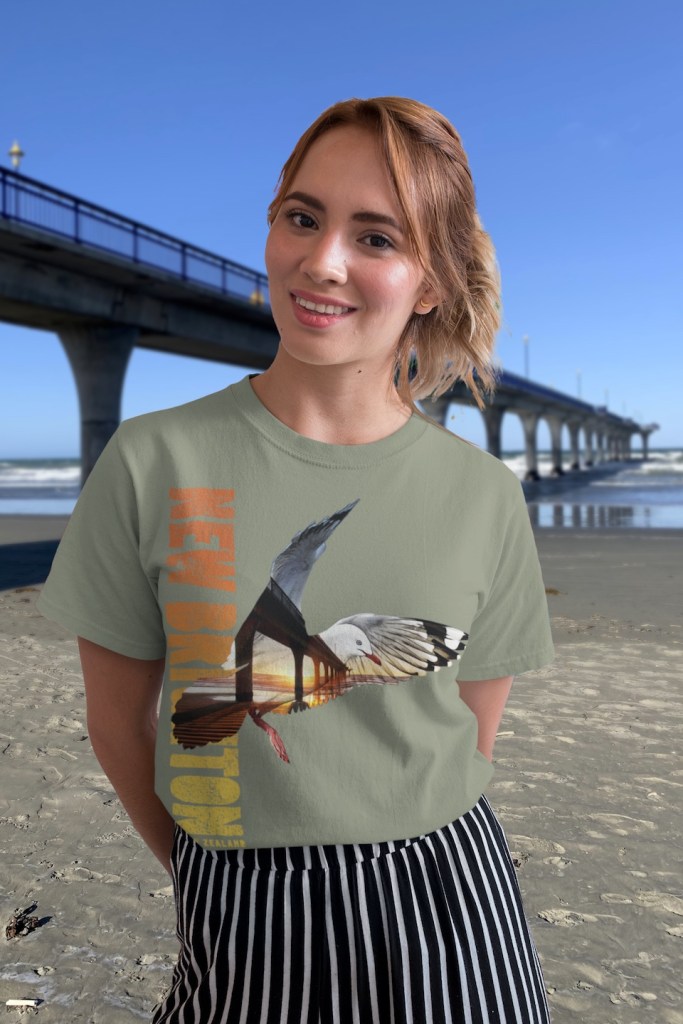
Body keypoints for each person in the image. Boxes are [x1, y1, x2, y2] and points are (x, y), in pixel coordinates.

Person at [38, 96, 555, 1023]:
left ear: (430, 282)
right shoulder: (154, 461)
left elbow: (468, 741)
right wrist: (214, 868)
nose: (322, 262)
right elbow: (121, 726)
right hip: (237, 902)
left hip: (450, 894)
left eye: (377, 237)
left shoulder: (482, 494)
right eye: (302, 218)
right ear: (272, 226)